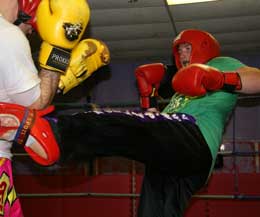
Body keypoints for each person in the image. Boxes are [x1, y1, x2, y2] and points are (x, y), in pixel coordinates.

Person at [1, 29, 260, 217]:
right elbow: (149, 130)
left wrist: (221, 78)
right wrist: (147, 98)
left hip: (194, 139)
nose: (181, 53)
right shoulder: (180, 85)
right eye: (178, 49)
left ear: (204, 46)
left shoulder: (220, 65)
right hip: (181, 165)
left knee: (118, 121)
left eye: (187, 48)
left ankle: (57, 135)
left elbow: (257, 79)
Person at [0, 0, 100, 215]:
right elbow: (35, 103)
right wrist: (59, 49)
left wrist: (58, 84)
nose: (29, 33)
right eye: (30, 28)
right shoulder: (6, 34)